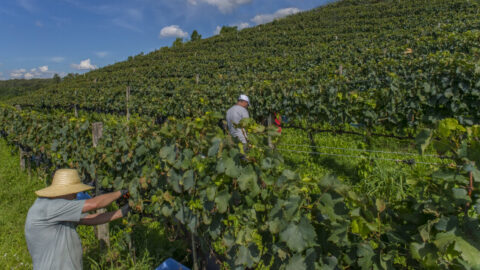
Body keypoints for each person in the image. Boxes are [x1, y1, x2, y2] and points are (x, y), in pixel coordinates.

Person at [25, 169, 130, 270]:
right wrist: (121, 192)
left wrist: (122, 212)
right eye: (74, 191)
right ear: (65, 191)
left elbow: (89, 219)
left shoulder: (57, 208)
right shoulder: (50, 206)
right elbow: (94, 204)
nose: (76, 195)